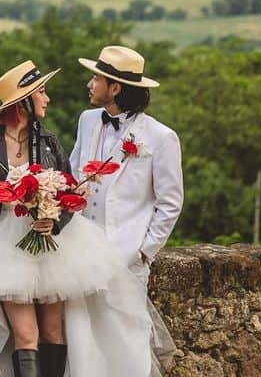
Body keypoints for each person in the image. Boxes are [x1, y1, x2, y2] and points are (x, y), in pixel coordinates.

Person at [0, 60, 152, 377]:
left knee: (53, 333)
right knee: (26, 335)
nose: (47, 100)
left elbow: (72, 197)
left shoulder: (49, 142)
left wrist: (54, 220)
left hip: (53, 245)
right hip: (5, 244)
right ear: (24, 102)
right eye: (42, 93)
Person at [71, 45, 182, 374]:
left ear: (115, 87)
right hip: (81, 251)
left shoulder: (161, 137)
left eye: (96, 78)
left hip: (126, 256)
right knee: (81, 337)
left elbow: (170, 202)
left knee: (127, 338)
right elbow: (76, 173)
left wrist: (144, 252)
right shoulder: (88, 120)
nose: (89, 84)